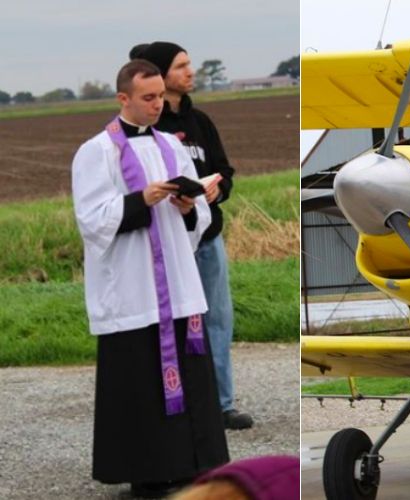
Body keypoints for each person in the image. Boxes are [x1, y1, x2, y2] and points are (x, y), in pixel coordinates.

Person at [71, 59, 229, 498]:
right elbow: (91, 220)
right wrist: (141, 199)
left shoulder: (170, 147)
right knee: (140, 384)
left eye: (160, 95)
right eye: (148, 97)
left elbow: (198, 219)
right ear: (123, 98)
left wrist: (190, 205)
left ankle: (195, 467)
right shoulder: (97, 151)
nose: (158, 104)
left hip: (177, 283)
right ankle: (149, 474)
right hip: (133, 288)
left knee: (191, 378)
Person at [129, 41, 253, 430]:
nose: (190, 71)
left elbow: (225, 170)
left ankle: (221, 404)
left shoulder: (202, 122)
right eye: (181, 66)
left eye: (189, 64)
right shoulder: (150, 127)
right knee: (172, 323)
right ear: (161, 74)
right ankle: (176, 402)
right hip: (169, 241)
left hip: (208, 236)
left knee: (218, 319)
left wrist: (219, 190)